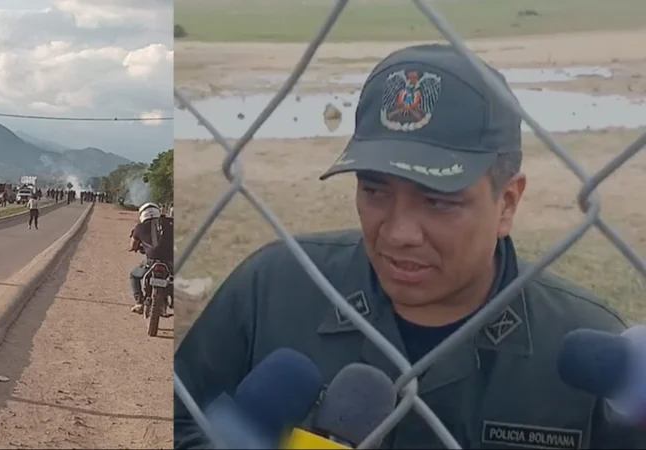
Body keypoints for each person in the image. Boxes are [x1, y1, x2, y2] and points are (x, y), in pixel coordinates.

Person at [174, 44, 646, 449]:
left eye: (438, 201)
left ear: (506, 203)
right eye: (375, 191)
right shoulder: (271, 291)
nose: (398, 231)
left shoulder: (591, 355)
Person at [128, 202, 174, 314]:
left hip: (151, 261)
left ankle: (139, 302)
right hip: (170, 261)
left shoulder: (139, 228)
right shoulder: (170, 223)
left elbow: (132, 246)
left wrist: (136, 248)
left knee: (133, 275)